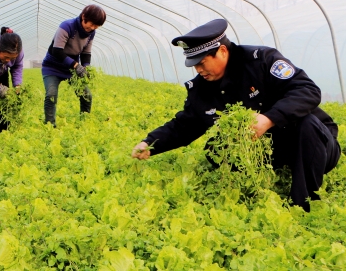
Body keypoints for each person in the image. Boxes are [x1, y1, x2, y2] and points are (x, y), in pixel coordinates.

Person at [131, 19, 341, 212]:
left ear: (222, 51)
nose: (198, 69)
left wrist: (269, 119)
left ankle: (302, 204)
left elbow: (307, 90)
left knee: (306, 123)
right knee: (216, 147)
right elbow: (185, 124)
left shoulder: (262, 61)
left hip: (316, 146)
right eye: (194, 65)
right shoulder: (202, 87)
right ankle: (252, 190)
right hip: (271, 152)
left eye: (202, 63)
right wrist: (150, 143)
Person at [41, 4, 106, 126]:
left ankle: (84, 123)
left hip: (71, 69)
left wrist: (86, 67)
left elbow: (86, 52)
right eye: (91, 24)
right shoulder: (67, 26)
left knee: (86, 94)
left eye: (96, 26)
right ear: (83, 17)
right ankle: (50, 126)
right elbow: (57, 51)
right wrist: (76, 65)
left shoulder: (91, 33)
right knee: (51, 95)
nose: (92, 28)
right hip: (52, 67)